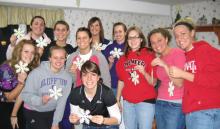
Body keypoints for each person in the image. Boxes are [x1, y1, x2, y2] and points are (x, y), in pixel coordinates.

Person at [170, 18, 220, 129]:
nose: (179, 39)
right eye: (176, 36)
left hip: (205, 111)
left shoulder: (205, 50)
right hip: (194, 110)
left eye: (183, 34)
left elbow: (216, 79)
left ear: (192, 33)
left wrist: (183, 74)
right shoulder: (186, 56)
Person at [20, 46, 73, 129]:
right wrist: (40, 100)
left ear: (65, 59)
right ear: (50, 58)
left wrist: (55, 123)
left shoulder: (67, 78)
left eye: (62, 58)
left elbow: (61, 103)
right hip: (33, 110)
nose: (59, 61)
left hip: (52, 111)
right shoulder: (36, 73)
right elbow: (25, 95)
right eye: (55, 58)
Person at [116, 26, 157, 129]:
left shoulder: (149, 55)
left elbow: (154, 83)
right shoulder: (123, 58)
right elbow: (121, 80)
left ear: (141, 39)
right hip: (128, 103)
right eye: (130, 38)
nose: (133, 40)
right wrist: (117, 98)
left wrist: (144, 72)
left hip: (145, 102)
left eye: (136, 37)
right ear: (127, 40)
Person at [148, 28, 186, 129]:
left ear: (166, 39)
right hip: (160, 102)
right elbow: (154, 83)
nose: (156, 45)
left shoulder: (178, 53)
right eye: (153, 43)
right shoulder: (159, 59)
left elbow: (179, 83)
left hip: (176, 104)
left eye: (159, 40)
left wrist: (165, 65)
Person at [69, 60, 121, 129]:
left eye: (93, 75)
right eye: (85, 75)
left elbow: (117, 120)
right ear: (81, 77)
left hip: (107, 125)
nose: (89, 78)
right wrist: (74, 120)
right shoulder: (75, 93)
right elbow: (77, 121)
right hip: (87, 126)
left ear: (98, 77)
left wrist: (103, 120)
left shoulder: (106, 92)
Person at [0, 39, 40, 129]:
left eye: (32, 52)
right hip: (5, 107)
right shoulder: (6, 69)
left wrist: (14, 113)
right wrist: (21, 84)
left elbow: (23, 94)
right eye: (26, 51)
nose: (30, 55)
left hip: (20, 106)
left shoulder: (29, 68)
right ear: (19, 52)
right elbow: (9, 98)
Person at [103, 22, 127, 96]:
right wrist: (110, 63)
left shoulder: (130, 47)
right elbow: (104, 70)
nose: (118, 34)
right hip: (112, 84)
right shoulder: (108, 48)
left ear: (125, 32)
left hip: (127, 86)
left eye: (120, 31)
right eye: (115, 32)